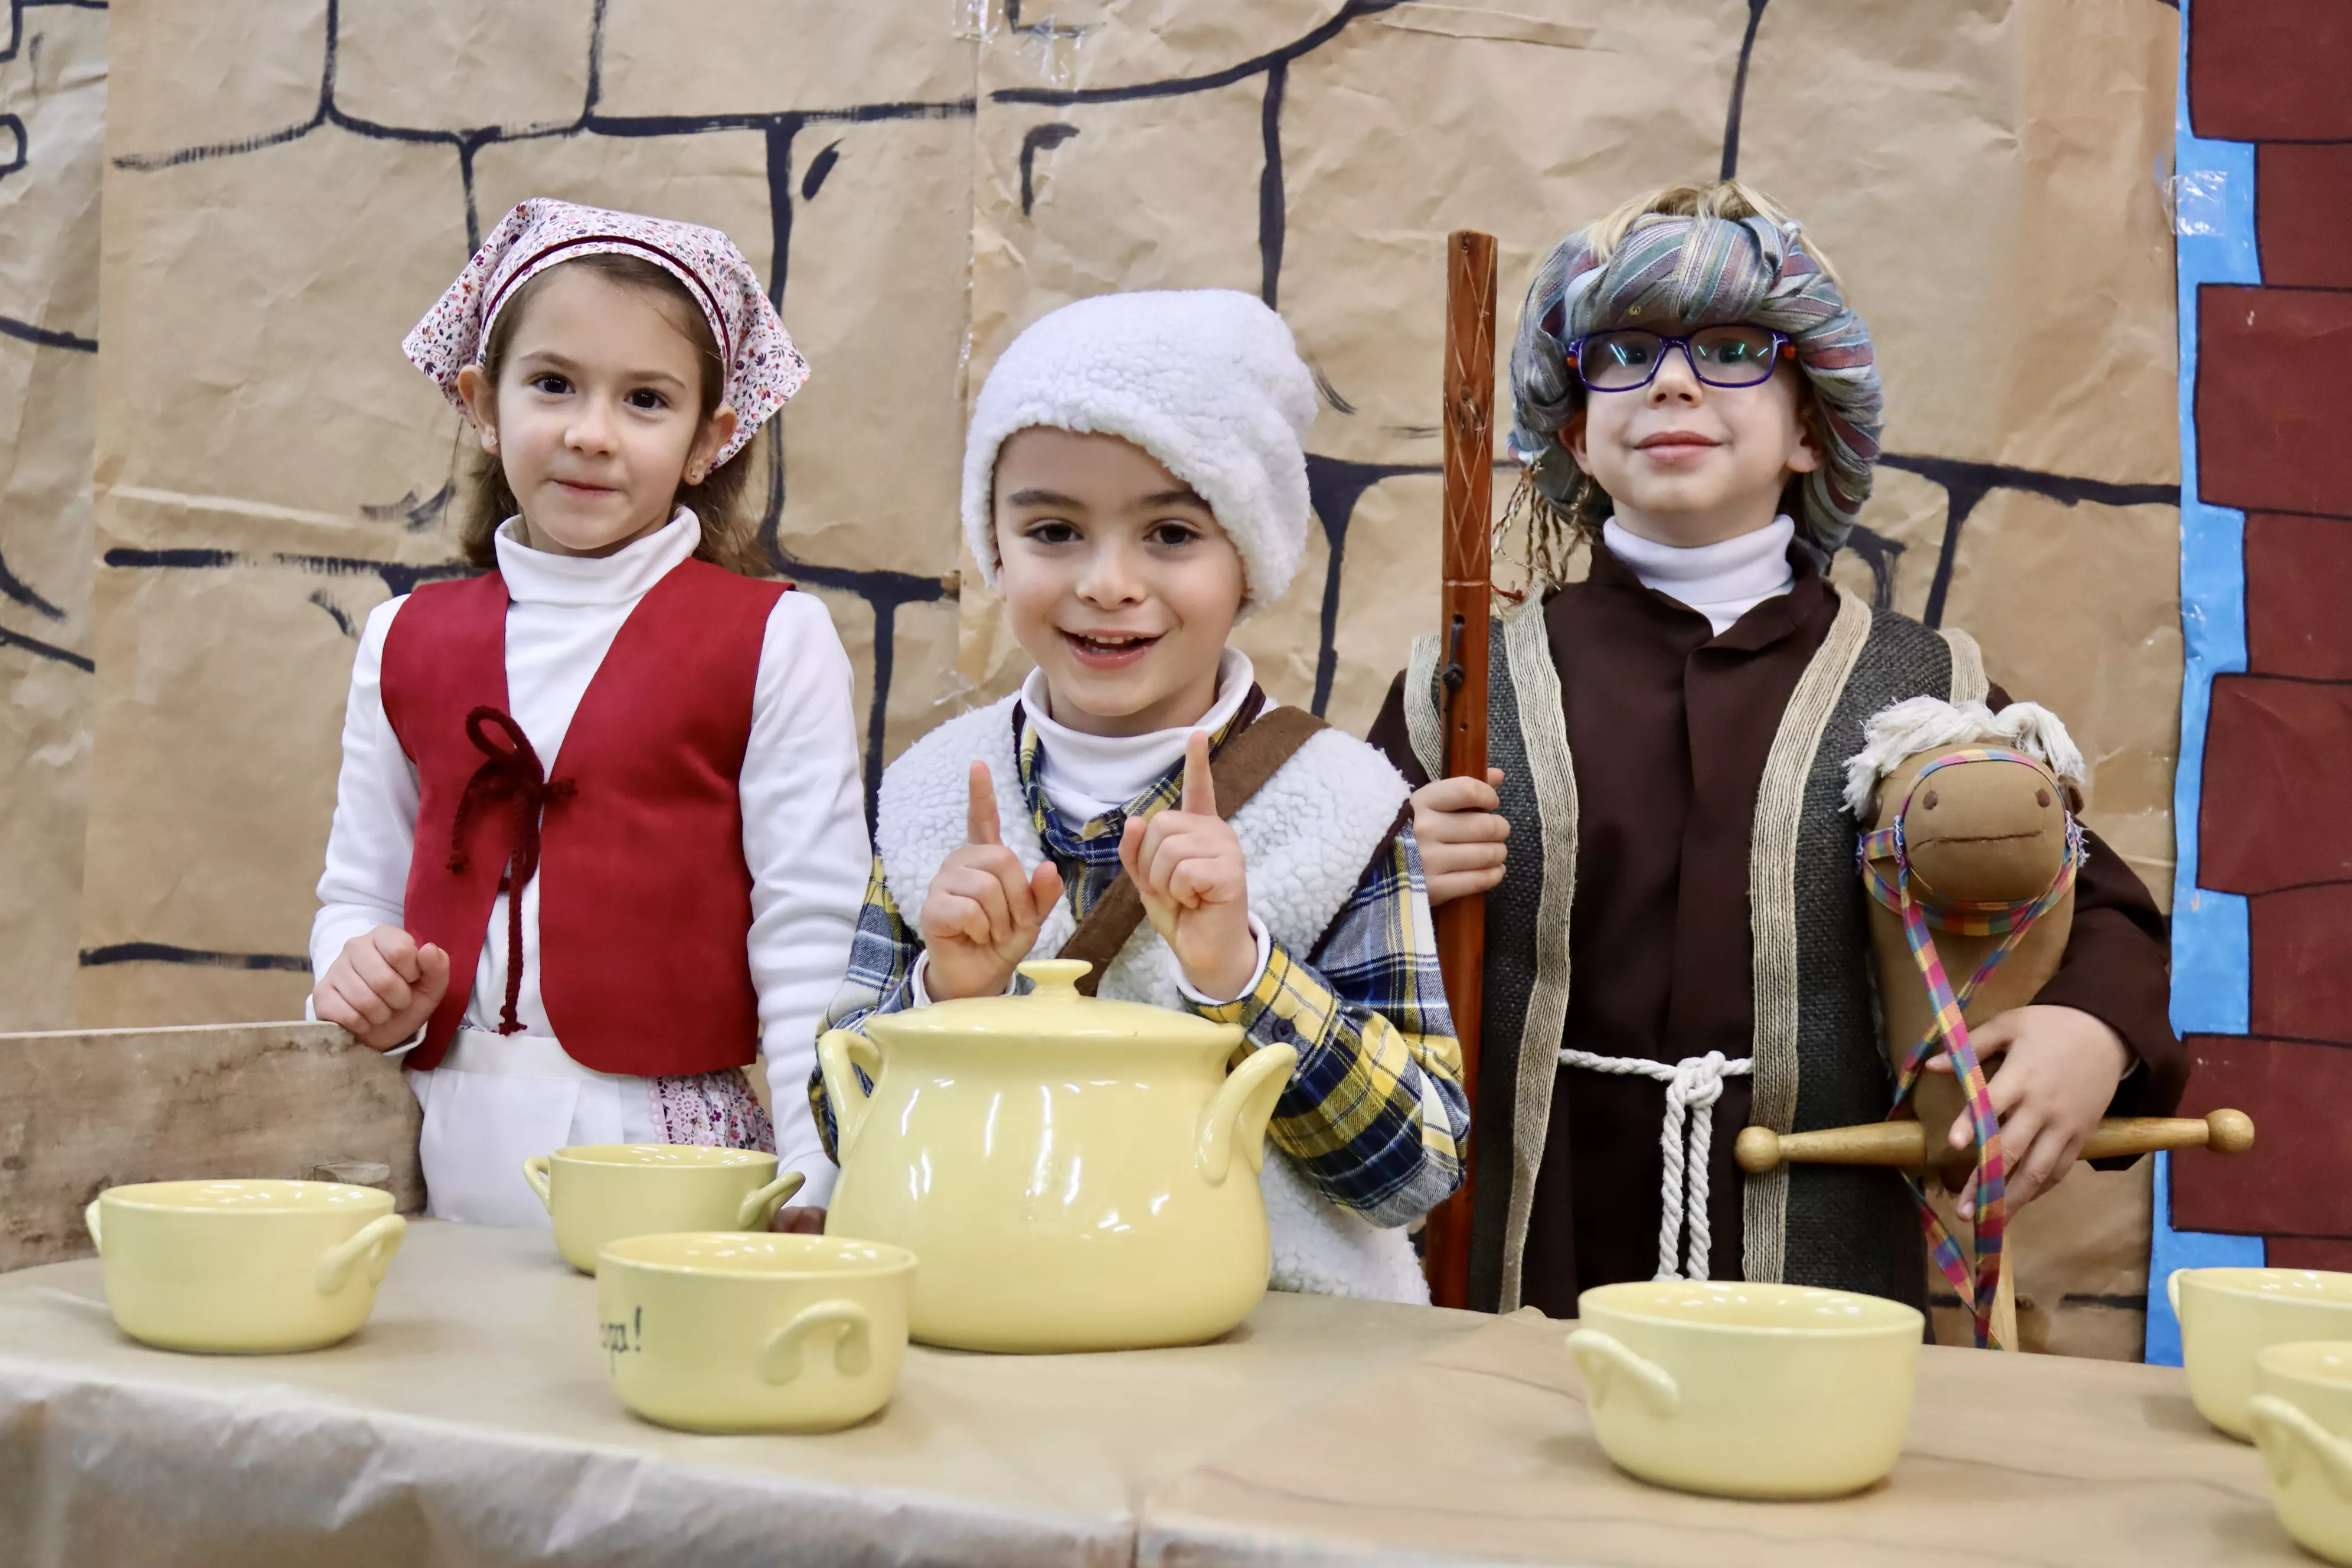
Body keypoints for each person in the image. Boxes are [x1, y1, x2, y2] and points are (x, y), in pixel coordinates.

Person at [1368, 181, 2186, 1316]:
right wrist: (1390, 882)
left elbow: (2097, 914)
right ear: (1571, 431)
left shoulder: (1928, 694)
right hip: (1524, 1255)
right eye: (1623, 352)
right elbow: (1325, 969)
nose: (1671, 380)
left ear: (1812, 428)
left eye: (1737, 348)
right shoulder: (1456, 691)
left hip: (1819, 1264)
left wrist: (2091, 1027)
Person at [807, 289, 1466, 1301]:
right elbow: (840, 1121)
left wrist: (1240, 974)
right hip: (996, 1332)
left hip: (1267, 1362)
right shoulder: (938, 789)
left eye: (1169, 535)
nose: (1108, 583)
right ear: (995, 544)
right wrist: (945, 998)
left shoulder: (1339, 803)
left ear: (1251, 556)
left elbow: (1416, 1173)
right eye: (1054, 531)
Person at [309, 199, 867, 1231]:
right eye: (554, 383)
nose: (590, 432)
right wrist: (355, 969)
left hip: (664, 1150)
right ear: (482, 400)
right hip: (435, 1133)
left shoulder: (775, 639)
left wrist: (816, 1173)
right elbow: (358, 889)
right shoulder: (404, 638)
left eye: (646, 400)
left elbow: (809, 931)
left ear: (712, 437)